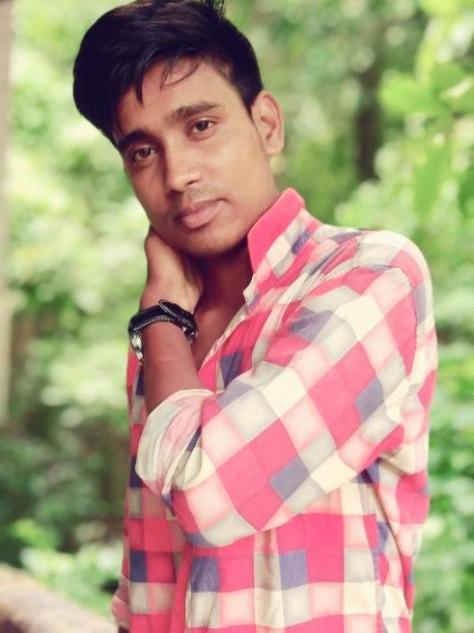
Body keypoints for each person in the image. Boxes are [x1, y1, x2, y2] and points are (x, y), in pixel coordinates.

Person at [72, 1, 438, 632]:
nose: (178, 175)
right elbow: (149, 586)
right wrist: (166, 321)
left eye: (201, 125)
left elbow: (208, 492)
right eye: (143, 151)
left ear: (266, 124)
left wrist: (159, 314)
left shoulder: (372, 276)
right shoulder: (167, 337)